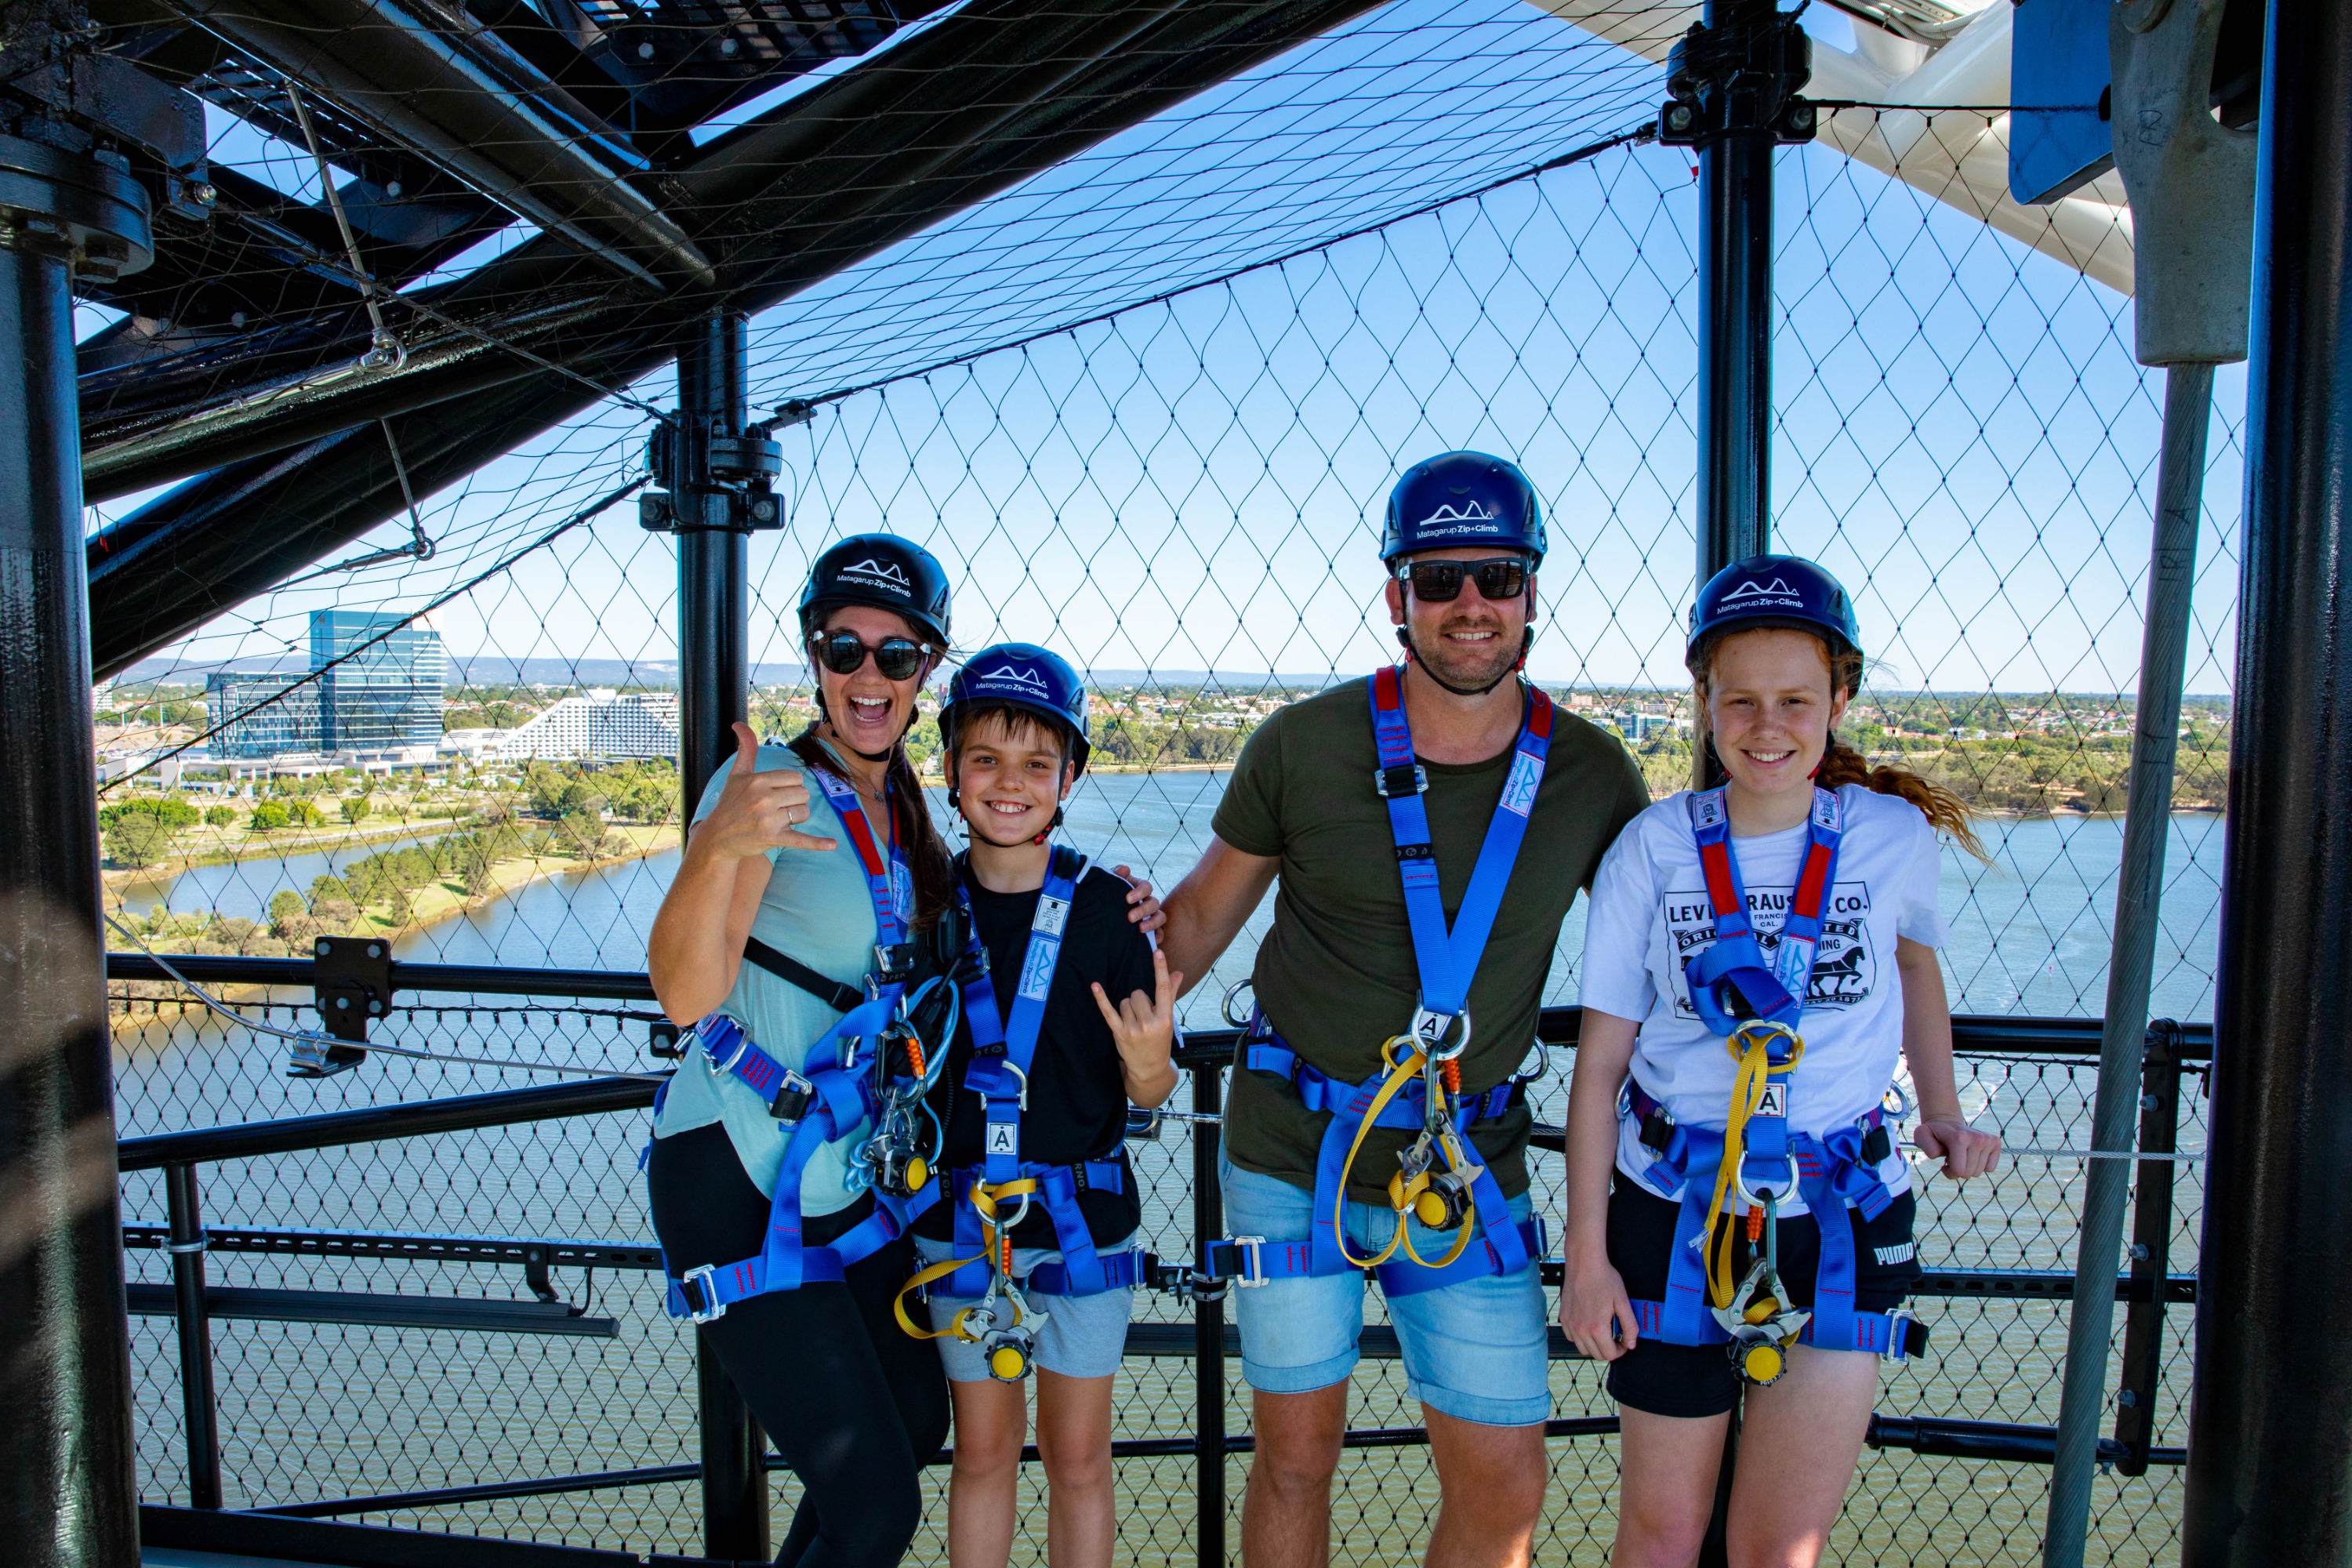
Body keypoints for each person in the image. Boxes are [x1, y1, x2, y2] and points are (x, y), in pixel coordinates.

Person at [1156, 452, 1653, 1568]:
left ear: (1531, 591)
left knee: (1506, 1483)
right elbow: (1190, 933)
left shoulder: (1589, 773)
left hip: (1468, 1165)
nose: (1470, 605)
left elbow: (1667, 959)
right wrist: (1048, 931)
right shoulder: (1301, 744)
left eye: (1496, 576)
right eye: (1440, 580)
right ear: (1397, 599)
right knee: (1295, 1460)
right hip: (1294, 1152)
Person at [1556, 554, 2004, 1568]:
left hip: (1840, 1209)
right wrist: (1586, 1259)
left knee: (1778, 1548)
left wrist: (1940, 1110)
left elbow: (1917, 973)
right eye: (1740, 700)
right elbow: (1597, 1070)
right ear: (1703, 703)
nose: (1768, 727)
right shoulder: (1652, 848)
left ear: (1841, 700)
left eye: (1797, 701)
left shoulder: (1888, 838)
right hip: (1669, 1210)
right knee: (1662, 1536)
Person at [644, 532, 961, 1568]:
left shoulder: (904, 802)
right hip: (736, 1172)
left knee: (913, 1429)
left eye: (896, 656)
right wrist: (718, 846)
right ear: (815, 658)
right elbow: (685, 991)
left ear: (927, 668)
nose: (868, 676)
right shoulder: (767, 786)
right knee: (876, 1508)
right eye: (844, 649)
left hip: (839, 1173)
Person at [893, 643, 1181, 1568]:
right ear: (950, 769)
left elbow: (1150, 1090)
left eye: (1035, 764)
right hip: (959, 1221)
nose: (1009, 783)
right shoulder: (925, 910)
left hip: (1080, 1220)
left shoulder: (1109, 914)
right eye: (986, 758)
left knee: (1078, 1456)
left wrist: (1150, 1066)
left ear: (1069, 778)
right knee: (980, 1451)